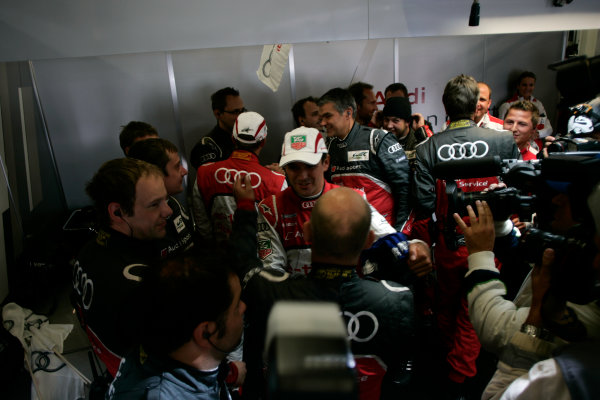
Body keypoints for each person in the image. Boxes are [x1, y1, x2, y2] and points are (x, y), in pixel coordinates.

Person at [233, 179, 430, 400]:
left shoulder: (271, 292)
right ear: (369, 240)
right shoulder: (397, 300)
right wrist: (420, 246)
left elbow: (244, 263)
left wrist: (245, 206)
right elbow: (401, 375)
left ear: (307, 233)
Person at [411, 74, 519, 394]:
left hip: (448, 239)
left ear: (445, 108)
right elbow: (516, 192)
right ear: (476, 106)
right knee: (473, 309)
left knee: (446, 304)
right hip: (489, 238)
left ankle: (450, 366)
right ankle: (460, 377)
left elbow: (425, 202)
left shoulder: (429, 147)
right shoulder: (502, 140)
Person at [455, 174, 600, 399]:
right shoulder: (576, 252)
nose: (557, 202)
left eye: (571, 198)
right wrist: (502, 224)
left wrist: (481, 254)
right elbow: (528, 254)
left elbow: (496, 329)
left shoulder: (586, 299)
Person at [257, 127, 428, 277]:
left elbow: (388, 237)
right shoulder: (271, 207)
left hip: (347, 297)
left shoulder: (352, 199)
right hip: (299, 301)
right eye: (294, 167)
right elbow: (272, 270)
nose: (302, 176)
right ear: (285, 168)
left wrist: (418, 247)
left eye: (310, 166)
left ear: (325, 163)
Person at [72, 158, 173, 376]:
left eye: (166, 200)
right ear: (117, 212)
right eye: (154, 204)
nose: (168, 211)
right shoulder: (140, 286)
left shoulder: (88, 251)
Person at [106, 250, 246, 400]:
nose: (244, 307)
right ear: (206, 332)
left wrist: (226, 373)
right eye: (236, 305)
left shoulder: (155, 337)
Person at [319, 87, 410, 230]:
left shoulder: (377, 139)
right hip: (350, 235)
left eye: (328, 116)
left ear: (348, 113)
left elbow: (405, 190)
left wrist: (399, 233)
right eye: (321, 118)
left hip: (382, 237)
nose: (322, 123)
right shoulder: (329, 147)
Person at [193, 111, 286, 243]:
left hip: (218, 257)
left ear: (232, 138)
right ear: (263, 141)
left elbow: (203, 229)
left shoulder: (204, 173)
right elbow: (283, 231)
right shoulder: (277, 181)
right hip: (263, 260)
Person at [128, 138, 195, 258]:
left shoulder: (173, 203)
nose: (184, 171)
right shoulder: (141, 225)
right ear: (156, 174)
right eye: (177, 166)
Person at [190, 87, 246, 170]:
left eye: (242, 111)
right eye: (235, 112)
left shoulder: (244, 138)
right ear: (218, 114)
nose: (241, 116)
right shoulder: (206, 146)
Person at [498, 71, 553, 139]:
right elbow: (500, 129)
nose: (527, 88)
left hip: (535, 144)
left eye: (531, 85)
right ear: (518, 86)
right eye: (524, 85)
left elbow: (549, 128)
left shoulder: (538, 104)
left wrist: (538, 134)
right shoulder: (506, 106)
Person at [382, 96, 429, 171]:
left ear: (407, 122)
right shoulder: (379, 139)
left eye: (395, 121)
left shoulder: (418, 141)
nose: (389, 125)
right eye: (386, 120)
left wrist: (422, 134)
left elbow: (431, 160)